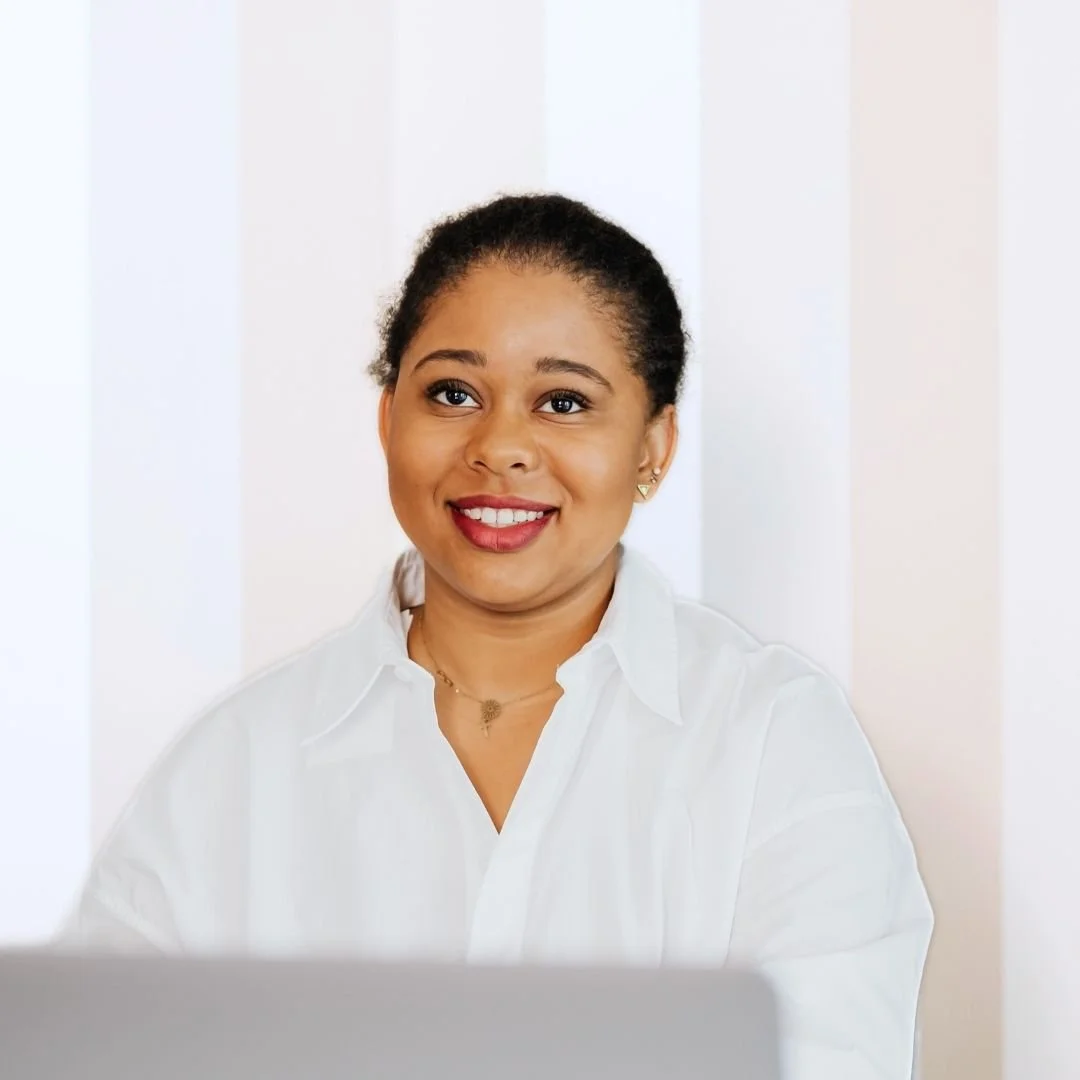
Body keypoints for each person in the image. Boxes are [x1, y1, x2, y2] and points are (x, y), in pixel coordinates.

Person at [61, 194, 933, 1077]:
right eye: (453, 393)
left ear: (654, 448)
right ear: (388, 420)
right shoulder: (234, 767)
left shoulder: (775, 741)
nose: (500, 446)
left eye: (563, 401)